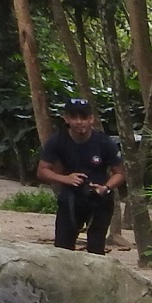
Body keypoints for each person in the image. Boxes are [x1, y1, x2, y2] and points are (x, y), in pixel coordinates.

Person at [36, 97, 122, 256]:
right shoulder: (57, 140)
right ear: (66, 119)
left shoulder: (104, 142)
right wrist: (65, 178)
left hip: (99, 199)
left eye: (83, 117)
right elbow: (42, 170)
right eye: (74, 117)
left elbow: (119, 173)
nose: (79, 122)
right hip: (71, 198)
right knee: (62, 249)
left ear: (91, 119)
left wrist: (105, 187)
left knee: (96, 249)